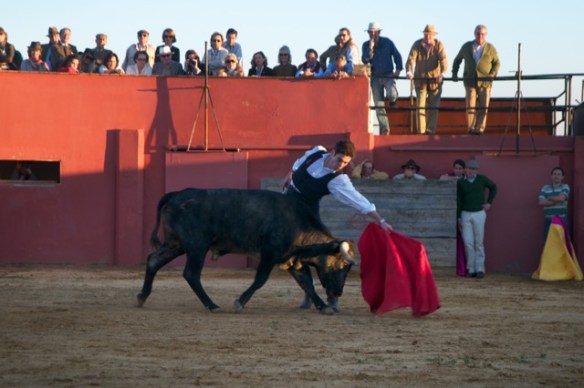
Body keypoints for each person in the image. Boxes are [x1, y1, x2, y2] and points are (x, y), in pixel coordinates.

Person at [283, 140, 393, 311]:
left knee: (323, 256)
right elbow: (299, 162)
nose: (340, 165)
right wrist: (290, 173)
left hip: (307, 216)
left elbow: (358, 200)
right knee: (291, 253)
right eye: (339, 159)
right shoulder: (316, 152)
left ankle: (333, 296)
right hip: (285, 207)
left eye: (346, 163)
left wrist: (381, 220)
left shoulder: (338, 180)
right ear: (332, 152)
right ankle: (309, 291)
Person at [452, 25, 501, 135]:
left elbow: (497, 63)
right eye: (478, 34)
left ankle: (480, 129)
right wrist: (454, 73)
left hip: (485, 82)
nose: (480, 36)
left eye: (483, 34)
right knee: (470, 106)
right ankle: (471, 129)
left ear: (486, 35)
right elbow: (457, 60)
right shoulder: (466, 46)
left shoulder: (490, 48)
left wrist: (493, 73)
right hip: (470, 81)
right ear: (474, 34)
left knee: (484, 107)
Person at [457, 159, 497, 278]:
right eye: (469, 168)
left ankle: (480, 268)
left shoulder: (482, 179)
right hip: (465, 213)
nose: (471, 171)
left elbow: (494, 187)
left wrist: (489, 202)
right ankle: (471, 268)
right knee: (468, 242)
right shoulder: (460, 182)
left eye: (473, 169)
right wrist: (458, 218)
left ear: (476, 170)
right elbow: (459, 200)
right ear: (465, 169)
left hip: (479, 212)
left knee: (479, 242)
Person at [361, 22, 403, 135]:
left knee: (392, 94)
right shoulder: (365, 45)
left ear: (379, 32)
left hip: (388, 75)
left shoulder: (387, 42)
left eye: (375, 31)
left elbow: (397, 55)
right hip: (375, 77)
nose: (372, 34)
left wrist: (398, 70)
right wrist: (370, 48)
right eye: (370, 32)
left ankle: (393, 100)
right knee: (379, 105)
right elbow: (365, 61)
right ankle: (385, 129)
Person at [406, 24, 448, 135]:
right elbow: (410, 59)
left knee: (433, 107)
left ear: (434, 35)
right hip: (420, 80)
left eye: (430, 35)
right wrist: (409, 71)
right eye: (426, 34)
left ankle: (430, 131)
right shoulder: (417, 44)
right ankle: (421, 132)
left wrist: (443, 74)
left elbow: (443, 60)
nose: (428, 37)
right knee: (420, 106)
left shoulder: (439, 45)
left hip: (435, 81)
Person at [538, 166, 570, 238]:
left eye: (559, 174)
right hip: (549, 220)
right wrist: (557, 199)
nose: (556, 176)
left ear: (562, 177)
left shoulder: (565, 187)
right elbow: (541, 202)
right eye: (554, 174)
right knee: (549, 244)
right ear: (551, 176)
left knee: (562, 243)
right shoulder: (545, 188)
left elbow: (561, 198)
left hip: (561, 219)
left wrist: (549, 198)